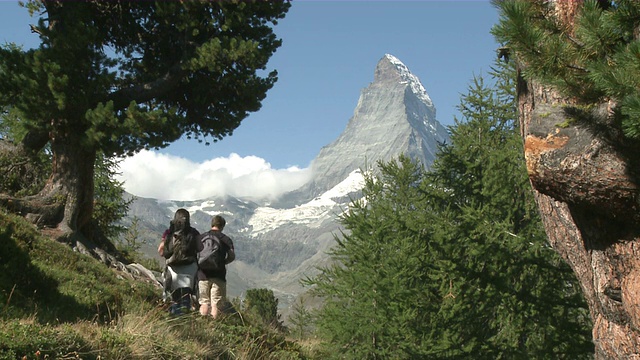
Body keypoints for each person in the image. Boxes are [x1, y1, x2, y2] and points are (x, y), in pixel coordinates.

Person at [158, 208, 202, 315]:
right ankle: (183, 318)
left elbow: (160, 250)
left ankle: (174, 320)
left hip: (172, 268)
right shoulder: (194, 232)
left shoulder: (169, 232)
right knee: (186, 296)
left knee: (173, 296)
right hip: (190, 268)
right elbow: (200, 248)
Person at [197, 215, 235, 319]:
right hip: (219, 275)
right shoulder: (226, 239)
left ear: (212, 224)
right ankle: (213, 326)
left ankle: (202, 324)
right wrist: (223, 262)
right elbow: (232, 256)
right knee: (215, 304)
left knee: (204, 302)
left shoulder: (202, 237)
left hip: (202, 274)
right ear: (222, 226)